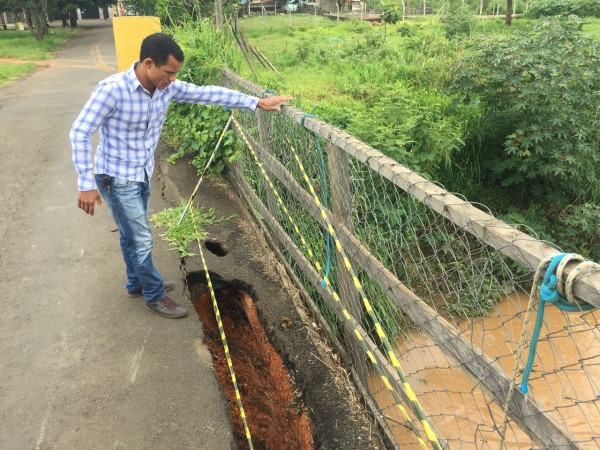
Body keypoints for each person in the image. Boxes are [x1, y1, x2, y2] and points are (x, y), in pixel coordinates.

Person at [70, 32, 292, 319]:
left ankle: (135, 282)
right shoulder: (111, 90)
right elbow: (80, 132)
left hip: (141, 172)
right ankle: (154, 294)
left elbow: (207, 93)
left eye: (175, 74)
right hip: (115, 177)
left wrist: (254, 102)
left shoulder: (166, 88)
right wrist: (86, 184)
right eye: (168, 72)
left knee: (130, 234)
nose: (172, 79)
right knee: (141, 239)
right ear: (148, 63)